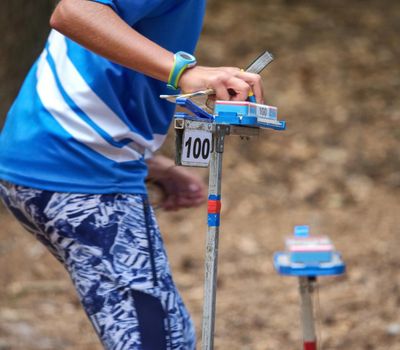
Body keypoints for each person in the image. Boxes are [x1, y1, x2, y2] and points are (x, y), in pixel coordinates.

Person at [0, 0, 264, 349]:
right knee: (159, 341)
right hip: (82, 175)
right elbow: (74, 11)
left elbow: (93, 53)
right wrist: (184, 73)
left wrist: (150, 164)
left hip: (39, 161)